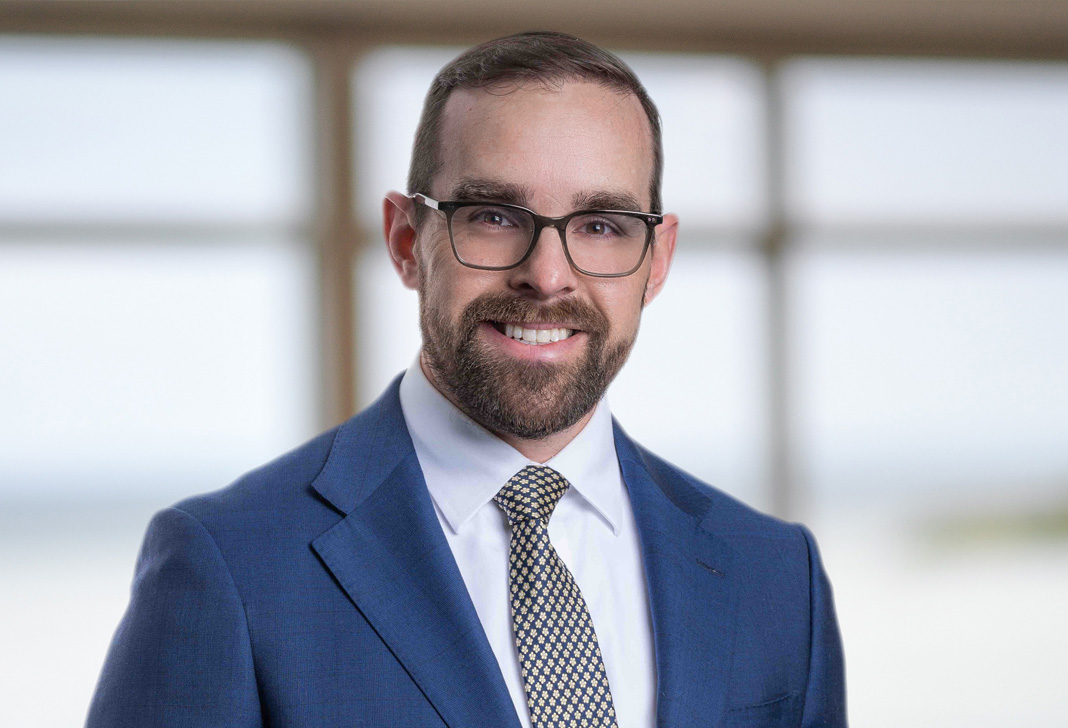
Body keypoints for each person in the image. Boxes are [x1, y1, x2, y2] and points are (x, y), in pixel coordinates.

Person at [88, 31, 845, 728]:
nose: (547, 276)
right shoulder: (229, 566)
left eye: (601, 226)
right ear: (406, 240)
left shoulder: (778, 577)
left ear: (658, 260)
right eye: (494, 216)